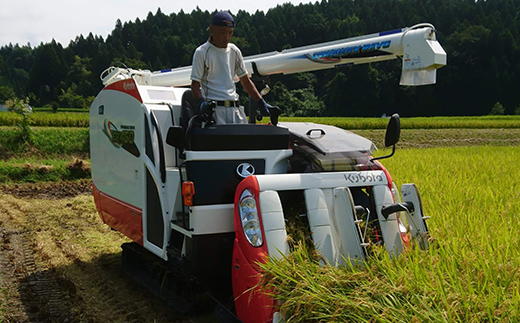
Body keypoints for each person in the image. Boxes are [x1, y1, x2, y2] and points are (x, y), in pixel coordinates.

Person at [190, 11, 280, 125]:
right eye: (222, 32)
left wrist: (261, 102)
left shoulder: (234, 51)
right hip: (214, 111)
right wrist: (201, 102)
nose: (226, 37)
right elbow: (195, 85)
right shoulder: (202, 52)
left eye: (230, 33)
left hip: (235, 109)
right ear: (212, 29)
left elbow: (245, 80)